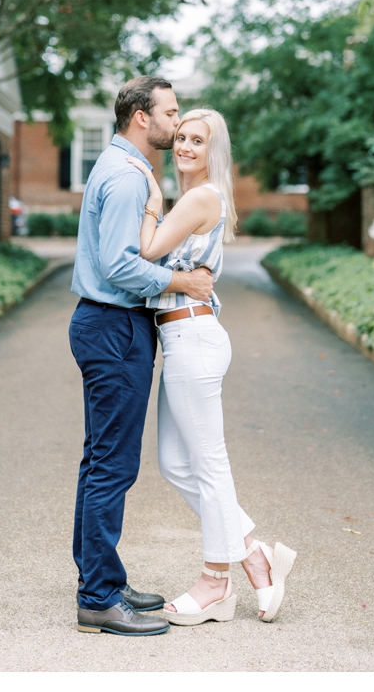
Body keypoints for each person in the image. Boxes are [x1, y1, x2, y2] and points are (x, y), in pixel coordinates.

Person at [123, 108, 298, 626]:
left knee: (208, 463)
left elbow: (146, 249)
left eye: (197, 140)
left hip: (193, 337)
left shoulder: (199, 197)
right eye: (179, 138)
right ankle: (254, 554)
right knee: (178, 465)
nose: (184, 147)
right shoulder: (196, 198)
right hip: (181, 336)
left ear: (213, 150)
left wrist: (152, 200)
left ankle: (215, 583)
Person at [70, 75, 214, 637]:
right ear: (140, 117)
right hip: (115, 328)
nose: (176, 124)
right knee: (113, 465)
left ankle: (103, 578)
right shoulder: (128, 177)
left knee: (99, 460)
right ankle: (98, 598)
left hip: (105, 326)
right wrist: (183, 282)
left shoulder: (120, 168)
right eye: (170, 113)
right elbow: (119, 266)